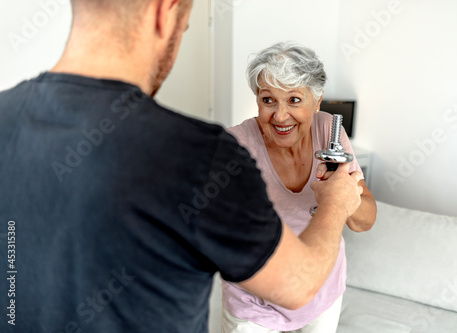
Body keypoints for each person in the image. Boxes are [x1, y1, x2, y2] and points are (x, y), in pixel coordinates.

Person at [0, 1, 364, 333]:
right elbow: (297, 283)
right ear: (165, 10)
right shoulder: (203, 154)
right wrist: (334, 202)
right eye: (186, 26)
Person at [221, 42, 377, 333]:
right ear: (257, 100)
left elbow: (364, 221)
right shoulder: (236, 146)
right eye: (268, 100)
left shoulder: (329, 130)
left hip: (323, 291)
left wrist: (341, 195)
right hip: (256, 303)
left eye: (294, 100)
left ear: (317, 101)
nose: (280, 116)